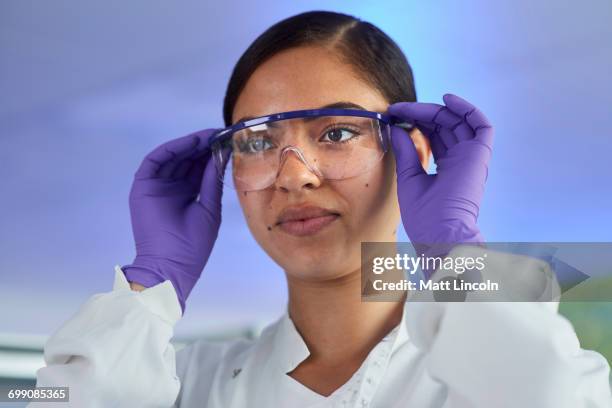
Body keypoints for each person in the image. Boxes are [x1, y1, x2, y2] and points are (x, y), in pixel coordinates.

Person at [31, 10, 612, 408]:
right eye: (257, 142)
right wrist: (148, 284)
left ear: (411, 149)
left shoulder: (510, 363)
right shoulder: (185, 381)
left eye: (336, 132)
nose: (294, 176)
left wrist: (454, 253)